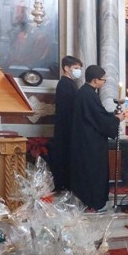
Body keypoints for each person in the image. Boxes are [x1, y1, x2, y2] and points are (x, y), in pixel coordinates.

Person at [69, 65, 125, 211]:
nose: (104, 82)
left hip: (87, 141)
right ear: (95, 80)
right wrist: (116, 119)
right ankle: (93, 203)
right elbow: (99, 119)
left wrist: (112, 117)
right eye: (103, 80)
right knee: (93, 173)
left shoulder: (86, 92)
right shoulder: (88, 95)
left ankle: (91, 202)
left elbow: (98, 115)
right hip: (90, 144)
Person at [48, 55, 83, 191]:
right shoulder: (64, 84)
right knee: (64, 157)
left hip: (68, 126)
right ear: (67, 68)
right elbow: (68, 109)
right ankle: (63, 185)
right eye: (76, 68)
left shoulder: (70, 83)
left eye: (79, 68)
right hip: (66, 127)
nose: (78, 71)